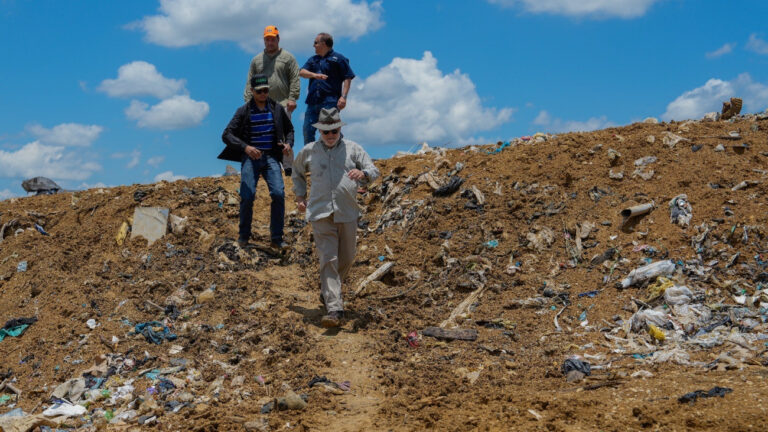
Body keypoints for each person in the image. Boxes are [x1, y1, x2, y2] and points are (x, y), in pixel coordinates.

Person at [292, 108, 379, 328]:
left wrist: (364, 174)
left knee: (348, 257)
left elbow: (373, 169)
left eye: (334, 131)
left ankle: (329, 290)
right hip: (321, 213)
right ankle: (334, 309)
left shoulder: (353, 149)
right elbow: (297, 172)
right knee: (328, 259)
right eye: (326, 132)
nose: (330, 136)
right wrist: (300, 196)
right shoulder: (309, 151)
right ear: (320, 131)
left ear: (340, 129)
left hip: (347, 212)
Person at [220, 73, 294, 250]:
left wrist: (288, 144)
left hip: (271, 157)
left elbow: (290, 130)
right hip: (250, 157)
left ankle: (276, 238)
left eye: (266, 90)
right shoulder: (243, 111)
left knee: (278, 193)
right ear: (252, 91)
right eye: (259, 91)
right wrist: (245, 147)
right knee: (247, 195)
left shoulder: (276, 109)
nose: (263, 94)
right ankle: (243, 236)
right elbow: (226, 134)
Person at [243, 25, 300, 175]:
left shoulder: (288, 58)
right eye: (267, 39)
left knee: (284, 134)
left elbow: (295, 77)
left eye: (272, 39)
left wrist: (293, 98)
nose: (270, 42)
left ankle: (287, 166)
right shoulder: (257, 60)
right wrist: (248, 101)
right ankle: (261, 165)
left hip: (282, 103)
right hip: (261, 104)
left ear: (278, 39)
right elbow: (250, 80)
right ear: (264, 40)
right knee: (261, 134)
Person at [299, 33, 355, 145]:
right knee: (307, 131)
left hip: (330, 101)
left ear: (323, 44)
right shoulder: (313, 59)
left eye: (315, 42)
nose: (313, 45)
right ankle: (310, 158)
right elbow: (301, 72)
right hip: (312, 101)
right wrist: (315, 75)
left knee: (331, 130)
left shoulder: (339, 58)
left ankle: (340, 153)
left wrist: (343, 97)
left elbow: (348, 77)